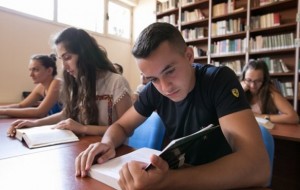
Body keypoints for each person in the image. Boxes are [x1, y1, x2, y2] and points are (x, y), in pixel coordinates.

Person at [75, 22, 270, 189]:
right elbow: (121, 126)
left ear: (189, 56)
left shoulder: (218, 80)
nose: (164, 87)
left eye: (169, 71)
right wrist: (107, 143)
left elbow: (257, 167)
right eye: (153, 79)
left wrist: (169, 180)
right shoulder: (154, 89)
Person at [7, 27, 132, 137]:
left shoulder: (116, 83)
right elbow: (66, 113)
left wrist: (83, 128)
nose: (64, 67)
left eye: (67, 58)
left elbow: (127, 129)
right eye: (61, 59)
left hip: (112, 152)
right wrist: (35, 123)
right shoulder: (78, 81)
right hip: (82, 146)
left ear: (85, 54)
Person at [0, 54, 62, 118]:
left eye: (35, 70)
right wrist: (1, 108)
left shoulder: (57, 84)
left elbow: (39, 112)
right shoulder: (41, 87)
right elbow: (21, 105)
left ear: (49, 70)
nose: (31, 74)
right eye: (30, 70)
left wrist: (3, 111)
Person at [241, 59, 299, 124]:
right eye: (249, 80)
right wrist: (240, 92)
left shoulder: (271, 92)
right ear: (243, 79)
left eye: (258, 81)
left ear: (264, 80)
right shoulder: (239, 91)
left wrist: (259, 116)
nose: (252, 85)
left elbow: (294, 117)